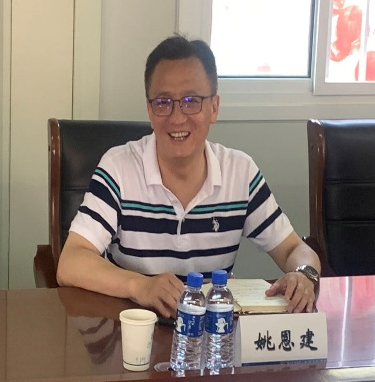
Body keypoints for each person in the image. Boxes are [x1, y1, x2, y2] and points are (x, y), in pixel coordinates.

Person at [56, 35, 320, 317]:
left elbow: (294, 248)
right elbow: (71, 261)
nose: (177, 117)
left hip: (211, 333)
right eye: (163, 102)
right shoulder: (119, 168)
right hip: (133, 328)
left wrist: (304, 274)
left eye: (191, 101)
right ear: (149, 110)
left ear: (214, 108)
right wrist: (140, 286)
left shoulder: (240, 173)